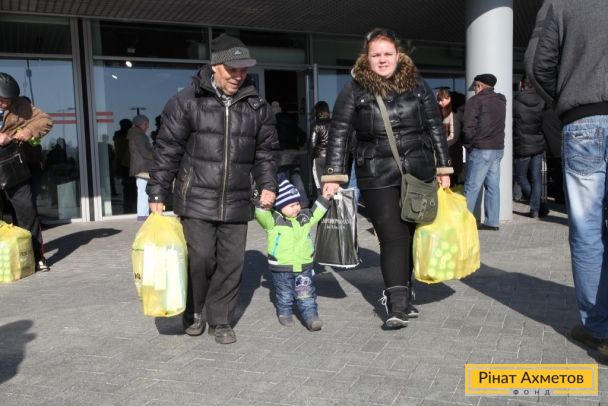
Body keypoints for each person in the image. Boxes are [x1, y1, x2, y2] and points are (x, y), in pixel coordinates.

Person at [146, 34, 278, 344]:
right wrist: (157, 192)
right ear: (215, 66)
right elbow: (167, 150)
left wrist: (268, 184)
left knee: (232, 264)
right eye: (232, 69)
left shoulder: (257, 106)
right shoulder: (186, 101)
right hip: (196, 197)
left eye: (243, 70)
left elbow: (266, 153)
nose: (238, 76)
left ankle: (221, 319)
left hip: (237, 198)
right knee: (201, 258)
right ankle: (194, 310)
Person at [322, 28, 452, 329]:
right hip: (375, 171)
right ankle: (396, 305)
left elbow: (435, 126)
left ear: (398, 55)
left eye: (387, 54)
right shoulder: (354, 88)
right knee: (392, 236)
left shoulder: (417, 84)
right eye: (376, 55)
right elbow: (340, 131)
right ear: (366, 58)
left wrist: (444, 169)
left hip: (417, 170)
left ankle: (406, 294)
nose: (382, 60)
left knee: (411, 235)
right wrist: (334, 175)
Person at [525, 0, 608, 357]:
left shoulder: (561, 3)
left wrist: (567, 98)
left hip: (584, 119)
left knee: (587, 232)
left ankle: (599, 330)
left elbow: (537, 65)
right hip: (583, 114)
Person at [255, 178, 330, 331]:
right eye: (291, 205)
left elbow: (316, 213)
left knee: (306, 293)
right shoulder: (273, 220)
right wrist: (262, 205)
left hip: (304, 265)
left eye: (297, 203)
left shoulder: (303, 218)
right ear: (280, 206)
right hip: (282, 266)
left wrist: (324, 198)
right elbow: (261, 215)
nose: (296, 208)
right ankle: (285, 313)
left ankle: (311, 316)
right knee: (285, 293)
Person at [0, 72, 52, 272]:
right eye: (2, 100)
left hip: (13, 166)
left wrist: (28, 131)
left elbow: (45, 120)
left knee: (26, 211)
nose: (6, 104)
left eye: (8, 100)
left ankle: (37, 257)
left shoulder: (21, 105)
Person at [462, 73, 506, 231]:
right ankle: (492, 222)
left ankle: (464, 224)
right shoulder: (501, 100)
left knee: (471, 187)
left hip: (481, 149)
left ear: (479, 86)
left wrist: (469, 145)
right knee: (493, 186)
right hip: (497, 149)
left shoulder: (475, 101)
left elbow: (468, 128)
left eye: (475, 86)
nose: (474, 89)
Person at [512, 75, 547, 218]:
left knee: (520, 177)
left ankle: (537, 206)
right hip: (538, 144)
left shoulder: (515, 102)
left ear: (521, 84)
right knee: (536, 178)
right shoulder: (541, 101)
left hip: (522, 145)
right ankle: (537, 208)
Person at [272, 101, 310, 208]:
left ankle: (285, 204)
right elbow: (303, 135)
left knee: (282, 180)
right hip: (294, 153)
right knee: (296, 177)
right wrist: (297, 144)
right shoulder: (291, 121)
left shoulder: (273, 122)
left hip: (281, 154)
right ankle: (304, 202)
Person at [127, 114, 153, 221]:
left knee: (143, 190)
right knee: (144, 191)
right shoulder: (139, 136)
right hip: (143, 167)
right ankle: (143, 214)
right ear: (140, 124)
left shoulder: (135, 135)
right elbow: (145, 153)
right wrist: (157, 156)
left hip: (140, 167)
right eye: (146, 124)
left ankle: (143, 213)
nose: (147, 126)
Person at [436, 88, 465, 185]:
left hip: (452, 152)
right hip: (446, 151)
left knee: (452, 178)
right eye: (438, 100)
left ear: (449, 98)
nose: (440, 102)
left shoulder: (453, 113)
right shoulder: (441, 112)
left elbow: (454, 136)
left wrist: (441, 144)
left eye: (441, 100)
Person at [113, 118, 136, 213]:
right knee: (132, 187)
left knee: (127, 188)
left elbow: (118, 152)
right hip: (129, 165)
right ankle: (131, 207)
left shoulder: (119, 136)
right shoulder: (131, 135)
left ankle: (128, 208)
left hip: (125, 165)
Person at [310, 101, 330, 191]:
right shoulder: (334, 124)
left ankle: (322, 199)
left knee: (321, 186)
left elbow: (312, 144)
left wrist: (311, 157)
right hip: (332, 158)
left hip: (319, 158)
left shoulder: (316, 125)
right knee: (332, 184)